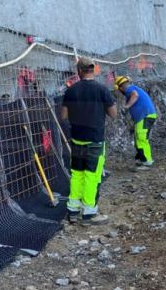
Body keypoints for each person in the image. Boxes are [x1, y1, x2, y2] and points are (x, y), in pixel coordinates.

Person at [61, 57, 117, 225]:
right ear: (94, 70)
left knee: (77, 175)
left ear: (79, 72)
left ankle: (73, 211)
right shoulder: (102, 90)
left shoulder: (70, 91)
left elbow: (63, 116)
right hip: (95, 141)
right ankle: (89, 213)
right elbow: (113, 114)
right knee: (92, 176)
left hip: (77, 140)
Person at [113, 75, 158, 170]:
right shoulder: (133, 89)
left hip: (145, 115)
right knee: (138, 138)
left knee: (141, 138)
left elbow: (135, 95)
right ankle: (142, 159)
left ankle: (147, 162)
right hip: (144, 116)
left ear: (120, 87)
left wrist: (127, 106)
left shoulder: (129, 89)